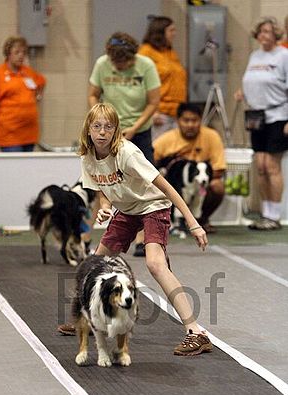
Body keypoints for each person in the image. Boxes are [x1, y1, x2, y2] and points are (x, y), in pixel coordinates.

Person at [74, 102, 212, 356]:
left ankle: (196, 332)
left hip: (153, 206)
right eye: (97, 126)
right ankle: (86, 316)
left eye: (109, 126)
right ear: (89, 130)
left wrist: (193, 223)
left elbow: (167, 188)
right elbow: (101, 189)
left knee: (155, 264)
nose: (102, 132)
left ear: (116, 130)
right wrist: (105, 205)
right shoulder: (88, 156)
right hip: (126, 209)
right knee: (94, 263)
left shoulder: (127, 153)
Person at [88, 31, 161, 256]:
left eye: (124, 62)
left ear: (133, 56)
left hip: (138, 130)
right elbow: (93, 94)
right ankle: (89, 235)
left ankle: (142, 238)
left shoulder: (145, 66)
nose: (119, 66)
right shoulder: (102, 64)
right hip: (108, 130)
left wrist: (135, 127)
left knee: (143, 182)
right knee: (101, 179)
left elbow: (153, 102)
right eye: (116, 62)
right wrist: (99, 119)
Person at [234, 17, 288, 230]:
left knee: (273, 166)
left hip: (278, 115)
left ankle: (274, 216)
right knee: (261, 166)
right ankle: (266, 213)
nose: (263, 35)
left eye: (268, 31)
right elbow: (251, 81)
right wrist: (243, 92)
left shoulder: (283, 56)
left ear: (276, 34)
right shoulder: (255, 55)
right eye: (261, 31)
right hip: (256, 116)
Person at [153, 103, 226, 233]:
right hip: (173, 187)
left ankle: (201, 219)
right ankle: (167, 221)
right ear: (178, 121)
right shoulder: (166, 139)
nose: (190, 125)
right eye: (186, 120)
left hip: (200, 186)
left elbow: (219, 169)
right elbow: (149, 163)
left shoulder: (212, 136)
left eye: (194, 120)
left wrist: (195, 184)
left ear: (200, 121)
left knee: (218, 186)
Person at [0, 36, 46, 152]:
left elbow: (41, 81)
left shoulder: (27, 71)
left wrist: (38, 95)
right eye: (17, 52)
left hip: (29, 134)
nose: (21, 55)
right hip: (10, 136)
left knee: (27, 168)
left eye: (23, 52)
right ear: (8, 54)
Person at [139, 16, 187, 140]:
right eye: (171, 30)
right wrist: (151, 112)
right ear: (160, 32)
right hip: (159, 114)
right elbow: (139, 85)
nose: (174, 34)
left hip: (176, 112)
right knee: (158, 153)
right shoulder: (145, 52)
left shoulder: (170, 52)